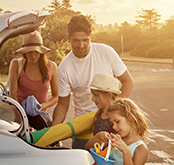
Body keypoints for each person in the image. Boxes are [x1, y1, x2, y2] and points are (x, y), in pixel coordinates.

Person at [51, 15, 134, 149]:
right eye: (76, 40)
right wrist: (52, 133)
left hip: (112, 124)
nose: (81, 45)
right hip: (84, 127)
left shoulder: (106, 52)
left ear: (91, 37)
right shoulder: (64, 68)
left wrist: (114, 111)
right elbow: (62, 105)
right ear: (68, 38)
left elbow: (127, 82)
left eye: (85, 40)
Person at [8, 31, 58, 130]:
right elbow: (13, 96)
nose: (33, 55)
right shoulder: (16, 64)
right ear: (24, 51)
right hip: (19, 115)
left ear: (41, 51)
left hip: (39, 117)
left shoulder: (51, 66)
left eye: (36, 52)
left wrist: (41, 106)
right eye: (29, 52)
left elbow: (56, 96)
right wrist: (24, 122)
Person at [106, 98, 150, 165]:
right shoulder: (115, 139)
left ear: (131, 119)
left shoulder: (140, 148)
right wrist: (99, 138)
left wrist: (126, 151)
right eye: (112, 123)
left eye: (117, 122)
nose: (113, 127)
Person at [84, 74, 121, 151]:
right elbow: (88, 148)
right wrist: (97, 138)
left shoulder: (119, 117)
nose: (92, 99)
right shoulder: (99, 114)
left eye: (96, 95)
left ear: (109, 95)